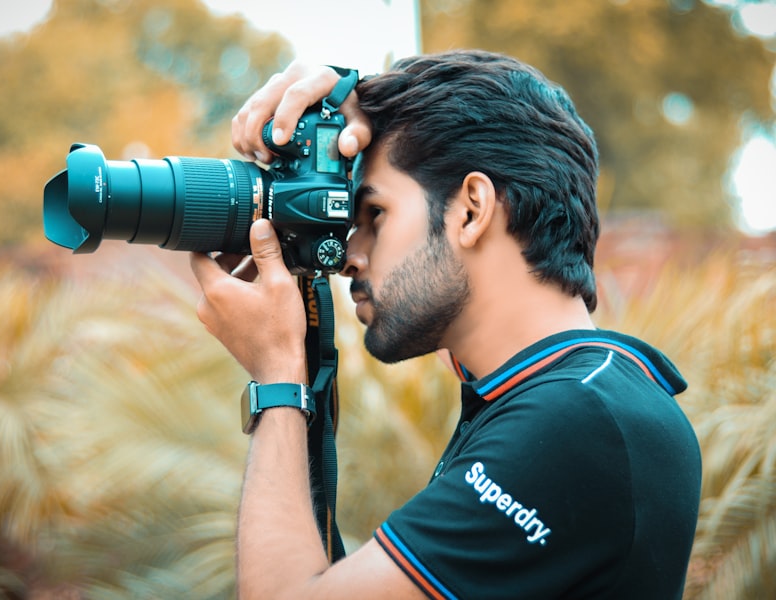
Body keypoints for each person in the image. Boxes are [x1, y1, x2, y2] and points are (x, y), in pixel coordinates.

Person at [189, 50, 702, 600]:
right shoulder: (579, 391)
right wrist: (348, 106)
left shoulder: (579, 421)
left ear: (471, 210)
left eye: (374, 216)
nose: (346, 257)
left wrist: (277, 372)